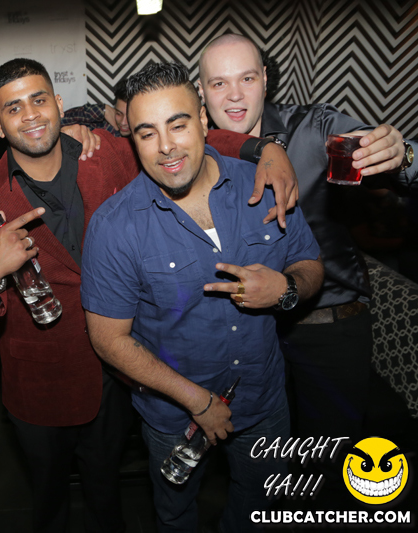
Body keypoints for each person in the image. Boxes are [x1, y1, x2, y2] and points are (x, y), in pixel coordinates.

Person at [0, 57, 298, 533]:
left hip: (119, 377)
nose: (30, 115)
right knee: (48, 503)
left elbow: (184, 142)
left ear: (58, 103)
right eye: (13, 108)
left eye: (38, 99)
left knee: (109, 496)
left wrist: (265, 148)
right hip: (41, 385)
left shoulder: (106, 153)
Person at [80, 61, 324, 533]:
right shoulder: (114, 226)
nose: (166, 146)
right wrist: (197, 401)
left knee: (261, 512)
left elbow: (310, 263)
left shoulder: (262, 185)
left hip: (264, 401)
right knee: (175, 516)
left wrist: (287, 288)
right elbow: (108, 340)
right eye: (147, 133)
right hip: (174, 417)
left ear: (204, 120)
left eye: (178, 124)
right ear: (132, 139)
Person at [197, 33, 418, 504]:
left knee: (330, 468)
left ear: (265, 80)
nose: (234, 95)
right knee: (260, 462)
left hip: (328, 325)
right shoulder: (201, 149)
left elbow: (388, 158)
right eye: (219, 83)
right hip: (250, 332)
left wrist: (404, 155)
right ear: (202, 91)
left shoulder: (315, 129)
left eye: (247, 79)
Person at [62, 78, 130, 138]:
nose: (123, 122)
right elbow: (61, 121)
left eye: (129, 116)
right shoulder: (106, 130)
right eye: (119, 114)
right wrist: (104, 110)